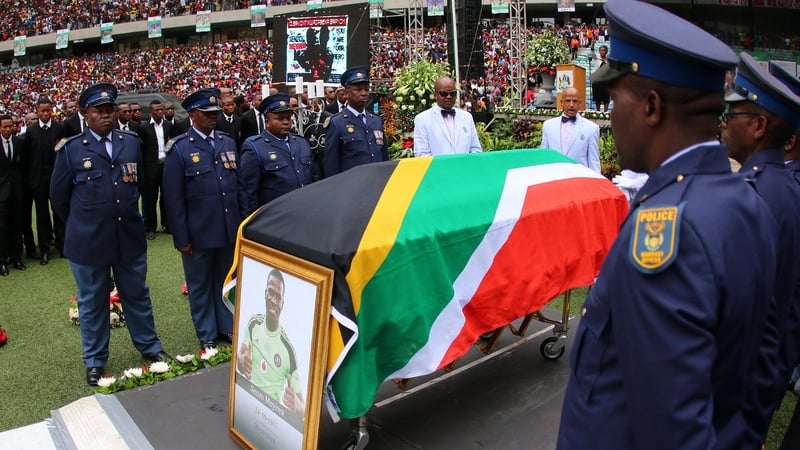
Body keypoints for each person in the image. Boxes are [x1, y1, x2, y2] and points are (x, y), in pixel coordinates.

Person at [557, 0, 779, 448]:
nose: (611, 115)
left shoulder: (665, 230)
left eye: (614, 98)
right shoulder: (748, 201)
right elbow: (764, 369)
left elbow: (673, 430)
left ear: (651, 108)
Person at [49, 83, 170, 386]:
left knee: (137, 295)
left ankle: (150, 347)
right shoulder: (72, 149)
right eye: (98, 111)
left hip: (127, 235)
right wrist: (86, 221)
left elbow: (139, 184)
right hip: (89, 240)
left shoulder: (130, 142)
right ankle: (94, 359)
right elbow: (59, 198)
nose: (105, 116)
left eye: (109, 110)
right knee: (92, 302)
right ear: (84, 114)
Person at [720, 53, 800, 447]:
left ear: (758, 126)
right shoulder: (782, 187)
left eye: (733, 114)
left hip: (741, 379)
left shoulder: (754, 194)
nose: (724, 122)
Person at [163, 87, 246, 352]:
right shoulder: (180, 149)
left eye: (215, 112)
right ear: (192, 115)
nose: (213, 117)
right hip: (198, 232)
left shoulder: (226, 141)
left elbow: (237, 187)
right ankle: (207, 333)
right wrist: (182, 237)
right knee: (199, 286)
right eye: (206, 113)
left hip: (227, 229)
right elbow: (173, 199)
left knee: (225, 282)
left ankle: (226, 326)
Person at [237, 269, 305, 416]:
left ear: (283, 303)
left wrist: (297, 406)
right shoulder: (253, 323)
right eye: (270, 292)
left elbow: (303, 405)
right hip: (249, 403)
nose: (273, 300)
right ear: (265, 293)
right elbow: (241, 355)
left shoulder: (288, 350)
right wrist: (242, 360)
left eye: (278, 297)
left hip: (270, 416)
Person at [239, 93, 315, 215]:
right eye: (280, 118)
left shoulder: (301, 143)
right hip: (275, 217)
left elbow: (313, 180)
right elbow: (249, 193)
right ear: (267, 121)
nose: (286, 122)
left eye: (288, 118)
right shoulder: (255, 147)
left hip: (305, 212)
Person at [323, 66, 389, 178]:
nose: (364, 93)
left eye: (366, 89)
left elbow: (384, 157)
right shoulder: (337, 123)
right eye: (358, 89)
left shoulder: (376, 121)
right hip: (352, 188)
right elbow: (331, 165)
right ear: (347, 92)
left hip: (376, 184)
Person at [22, 97, 65, 264]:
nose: (46, 114)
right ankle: (45, 249)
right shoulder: (31, 131)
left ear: (52, 110)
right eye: (42, 111)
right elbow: (26, 157)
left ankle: (62, 246)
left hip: (56, 177)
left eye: (48, 110)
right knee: (42, 215)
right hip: (38, 179)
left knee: (59, 212)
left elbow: (62, 150)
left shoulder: (59, 128)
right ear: (37, 111)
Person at [413, 76, 482, 157]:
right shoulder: (422, 119)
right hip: (438, 169)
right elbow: (421, 154)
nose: (449, 97)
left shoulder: (467, 117)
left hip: (464, 168)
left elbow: (476, 149)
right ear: (435, 95)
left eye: (453, 93)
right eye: (444, 94)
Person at [540, 86, 601, 172]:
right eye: (568, 101)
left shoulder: (591, 128)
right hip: (555, 179)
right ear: (562, 102)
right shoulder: (548, 126)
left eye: (575, 101)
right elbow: (544, 157)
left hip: (579, 181)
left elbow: (594, 162)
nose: (571, 105)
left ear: (580, 103)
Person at [138, 100, 172, 239]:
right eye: (156, 110)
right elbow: (141, 148)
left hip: (166, 165)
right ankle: (150, 227)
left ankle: (167, 224)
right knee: (150, 198)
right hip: (151, 166)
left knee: (166, 196)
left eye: (161, 109)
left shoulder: (169, 125)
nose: (160, 112)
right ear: (151, 112)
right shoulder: (144, 127)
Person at [0, 115, 26, 275]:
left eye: (11, 126)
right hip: (1, 192)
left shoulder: (18, 142)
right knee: (2, 227)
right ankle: (2, 261)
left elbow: (21, 165)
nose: (9, 129)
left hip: (16, 190)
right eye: (5, 127)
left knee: (17, 225)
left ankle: (17, 258)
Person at [592, 45, 610, 112]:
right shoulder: (596, 58)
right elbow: (592, 52)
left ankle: (606, 112)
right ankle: (598, 112)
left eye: (604, 50)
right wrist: (593, 44)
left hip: (606, 80)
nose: (602, 51)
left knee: (606, 97)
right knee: (597, 97)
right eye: (601, 50)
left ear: (606, 51)